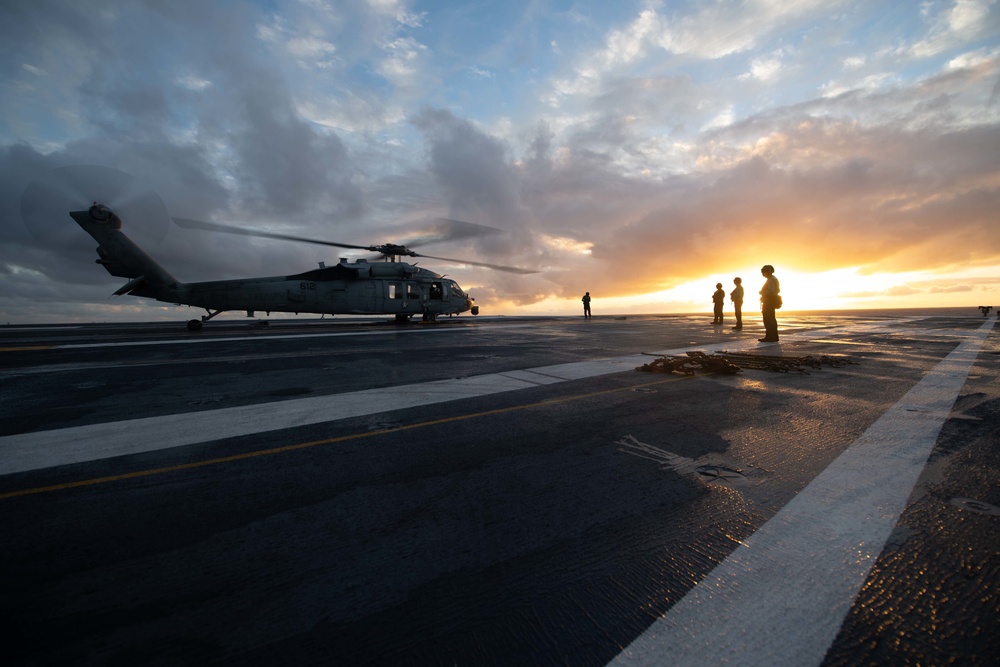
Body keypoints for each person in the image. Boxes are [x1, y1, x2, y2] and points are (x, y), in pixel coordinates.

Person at [758, 265, 780, 342]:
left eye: (764, 271)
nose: (763, 273)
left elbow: (772, 291)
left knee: (768, 319)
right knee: (771, 319)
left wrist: (762, 292)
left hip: (769, 301)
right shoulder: (772, 279)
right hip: (770, 301)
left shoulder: (771, 280)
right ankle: (773, 336)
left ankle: (770, 337)